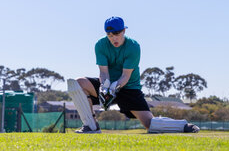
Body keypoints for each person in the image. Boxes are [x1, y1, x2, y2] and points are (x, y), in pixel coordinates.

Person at [67, 16, 200, 134]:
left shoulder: (133, 47)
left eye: (117, 34)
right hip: (108, 85)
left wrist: (114, 88)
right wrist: (104, 88)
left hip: (129, 87)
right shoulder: (100, 45)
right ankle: (91, 126)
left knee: (149, 124)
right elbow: (103, 72)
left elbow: (126, 75)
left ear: (124, 31)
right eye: (109, 35)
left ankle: (183, 125)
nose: (114, 38)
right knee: (79, 83)